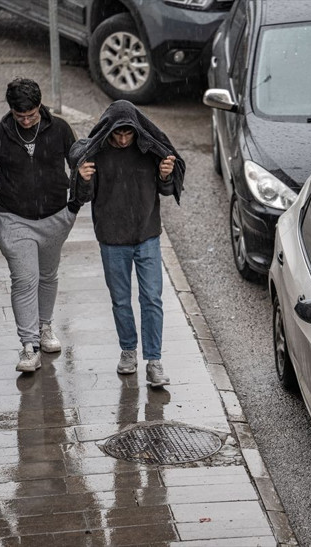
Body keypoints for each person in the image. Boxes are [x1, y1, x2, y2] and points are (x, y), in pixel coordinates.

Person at [70, 100, 185, 387]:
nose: (122, 140)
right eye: (117, 135)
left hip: (147, 235)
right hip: (112, 239)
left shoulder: (148, 149)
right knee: (121, 300)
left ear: (136, 131)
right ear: (108, 131)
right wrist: (83, 180)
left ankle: (154, 361)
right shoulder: (97, 154)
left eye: (127, 135)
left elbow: (166, 190)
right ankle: (128, 351)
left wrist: (165, 174)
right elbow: (84, 197)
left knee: (152, 299)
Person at [0, 78, 79, 373]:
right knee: (24, 279)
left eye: (32, 115)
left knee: (47, 275)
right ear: (11, 112)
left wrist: (75, 204)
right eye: (21, 117)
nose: (27, 121)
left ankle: (45, 327)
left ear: (40, 107)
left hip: (55, 216)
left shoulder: (59, 129)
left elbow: (79, 166)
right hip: (15, 218)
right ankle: (28, 345)